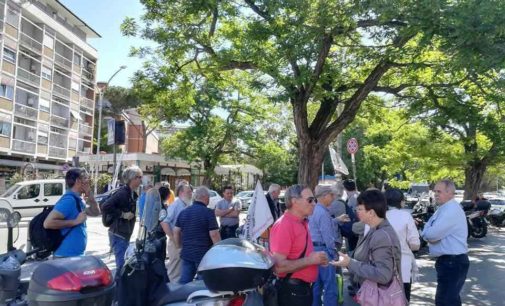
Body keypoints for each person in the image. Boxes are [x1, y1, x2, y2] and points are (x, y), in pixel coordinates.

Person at [331, 189, 404, 301]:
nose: (356, 211)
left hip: (381, 299)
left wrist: (350, 263)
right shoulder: (375, 229)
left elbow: (383, 275)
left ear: (371, 213)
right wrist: (347, 259)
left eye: (360, 209)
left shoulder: (381, 235)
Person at [269, 184, 329, 306]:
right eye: (310, 200)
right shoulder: (284, 225)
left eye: (315, 200)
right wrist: (310, 260)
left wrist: (317, 258)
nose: (314, 204)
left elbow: (299, 253)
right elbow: (278, 267)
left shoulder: (302, 222)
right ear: (294, 201)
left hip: (301, 290)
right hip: (292, 292)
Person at [422, 179, 469, 306]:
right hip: (450, 261)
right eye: (435, 191)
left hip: (452, 262)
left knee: (445, 301)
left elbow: (430, 234)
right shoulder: (444, 208)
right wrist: (428, 233)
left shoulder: (450, 210)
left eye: (439, 191)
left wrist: (428, 233)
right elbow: (428, 231)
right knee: (450, 300)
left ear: (450, 193)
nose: (436, 194)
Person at [43, 168, 100, 257]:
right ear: (78, 181)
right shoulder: (69, 200)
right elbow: (48, 223)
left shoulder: (78, 199)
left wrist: (89, 194)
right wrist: (75, 221)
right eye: (85, 178)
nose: (88, 181)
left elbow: (96, 212)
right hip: (66, 256)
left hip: (75, 255)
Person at [174, 186, 221, 284]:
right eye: (208, 197)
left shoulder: (184, 212)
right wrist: (219, 251)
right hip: (203, 254)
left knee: (184, 282)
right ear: (205, 197)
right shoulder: (208, 213)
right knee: (202, 284)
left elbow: (176, 231)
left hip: (187, 253)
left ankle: (183, 298)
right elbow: (214, 234)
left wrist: (179, 246)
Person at [101, 165, 143, 273]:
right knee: (122, 267)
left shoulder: (132, 193)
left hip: (123, 233)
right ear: (132, 178)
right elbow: (105, 206)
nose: (141, 180)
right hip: (118, 234)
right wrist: (122, 214)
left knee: (124, 265)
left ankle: (121, 288)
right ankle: (119, 289)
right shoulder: (123, 192)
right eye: (139, 177)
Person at [385, 188, 420, 302]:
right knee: (402, 301)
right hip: (402, 267)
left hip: (380, 268)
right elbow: (415, 244)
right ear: (400, 202)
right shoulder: (406, 216)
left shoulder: (376, 216)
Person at [309, 185, 339, 306]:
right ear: (325, 196)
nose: (333, 198)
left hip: (313, 249)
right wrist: (334, 253)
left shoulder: (314, 209)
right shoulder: (323, 212)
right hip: (324, 250)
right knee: (330, 286)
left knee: (316, 286)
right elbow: (328, 236)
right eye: (332, 195)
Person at [161, 183, 193, 283]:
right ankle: (172, 292)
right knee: (175, 269)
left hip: (184, 241)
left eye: (191, 192)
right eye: (188, 192)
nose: (191, 194)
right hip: (176, 241)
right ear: (181, 193)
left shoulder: (186, 204)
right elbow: (164, 222)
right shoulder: (175, 205)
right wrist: (173, 238)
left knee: (182, 269)